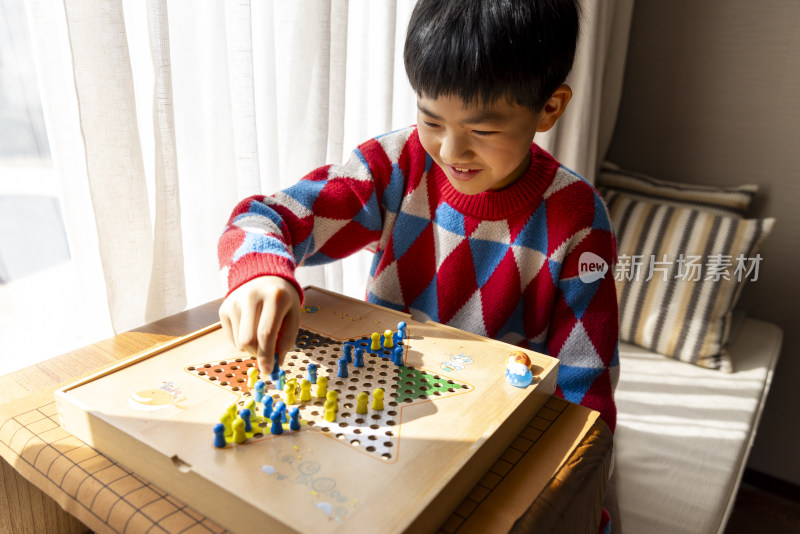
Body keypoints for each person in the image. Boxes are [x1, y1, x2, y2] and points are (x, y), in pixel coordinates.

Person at [219, 0, 618, 464]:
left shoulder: (579, 220)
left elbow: (585, 396)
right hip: (379, 420)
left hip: (492, 443)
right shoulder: (394, 168)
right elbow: (261, 218)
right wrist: (260, 273)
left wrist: (571, 501)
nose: (450, 151)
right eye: (431, 120)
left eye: (482, 130)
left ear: (549, 107)